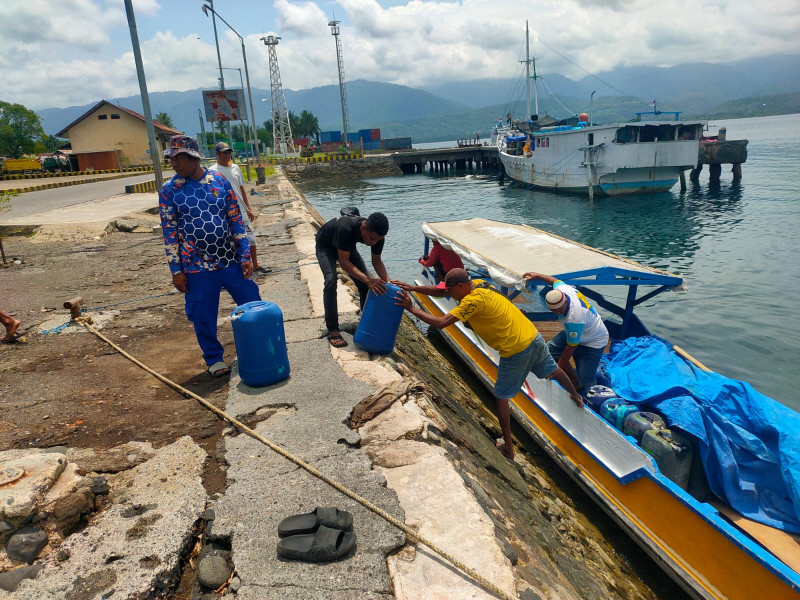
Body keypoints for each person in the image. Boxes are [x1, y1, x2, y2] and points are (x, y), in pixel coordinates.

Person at [396, 268, 583, 459]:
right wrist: (413, 288)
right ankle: (576, 397)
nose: (450, 295)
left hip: (516, 349)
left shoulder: (472, 301)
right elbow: (443, 290)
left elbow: (442, 322)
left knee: (501, 396)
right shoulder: (480, 285)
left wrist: (411, 308)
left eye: (452, 291)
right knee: (553, 370)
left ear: (460, 286)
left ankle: (508, 449)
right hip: (533, 336)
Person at [159, 135, 261, 377]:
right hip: (195, 265)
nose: (174, 163)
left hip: (230, 259)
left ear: (194, 158)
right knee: (203, 314)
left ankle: (259, 344)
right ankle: (214, 358)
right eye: (171, 159)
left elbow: (236, 220)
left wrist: (245, 256)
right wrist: (176, 270)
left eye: (180, 157)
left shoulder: (219, 182)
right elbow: (169, 233)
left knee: (252, 302)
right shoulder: (170, 190)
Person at [523, 272, 609, 391]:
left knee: (585, 380)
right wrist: (537, 276)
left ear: (566, 302)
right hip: (573, 332)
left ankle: (584, 388)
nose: (559, 313)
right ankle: (572, 378)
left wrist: (558, 369)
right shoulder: (563, 290)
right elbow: (554, 281)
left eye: (561, 310)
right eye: (555, 311)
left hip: (593, 340)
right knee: (548, 352)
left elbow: (571, 346)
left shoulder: (574, 317)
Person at [316, 212, 390, 348]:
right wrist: (368, 279)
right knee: (331, 281)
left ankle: (366, 324)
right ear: (364, 228)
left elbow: (377, 261)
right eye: (372, 239)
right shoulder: (346, 227)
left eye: (377, 240)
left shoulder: (378, 236)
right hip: (326, 246)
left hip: (347, 247)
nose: (374, 243)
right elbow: (344, 262)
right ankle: (333, 329)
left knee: (366, 286)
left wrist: (389, 283)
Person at [210, 142, 267, 273]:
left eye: (228, 152)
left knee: (250, 239)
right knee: (231, 241)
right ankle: (239, 267)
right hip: (223, 211)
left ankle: (255, 265)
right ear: (217, 154)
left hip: (240, 209)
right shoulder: (212, 171)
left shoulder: (236, 168)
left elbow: (241, 189)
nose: (227, 155)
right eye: (224, 153)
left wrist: (248, 208)